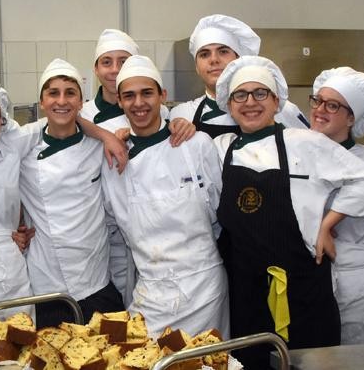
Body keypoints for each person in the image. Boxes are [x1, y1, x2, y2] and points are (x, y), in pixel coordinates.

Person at [211, 56, 364, 368]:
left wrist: (327, 225)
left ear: (277, 102)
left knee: (311, 362)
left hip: (303, 288)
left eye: (260, 93)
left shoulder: (304, 142)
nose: (250, 102)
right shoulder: (220, 148)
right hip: (246, 291)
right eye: (240, 95)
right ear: (229, 104)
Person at [99, 55, 227, 336]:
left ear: (162, 96)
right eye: (129, 96)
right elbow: (113, 229)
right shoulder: (113, 160)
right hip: (151, 293)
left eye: (147, 93)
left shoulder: (196, 144)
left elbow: (222, 215)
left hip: (205, 288)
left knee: (206, 365)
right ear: (119, 102)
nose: (139, 103)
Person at [19, 59, 125, 328]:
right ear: (41, 102)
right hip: (47, 286)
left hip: (97, 281)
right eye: (53, 93)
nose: (61, 101)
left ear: (81, 102)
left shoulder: (98, 146)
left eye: (70, 93)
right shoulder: (24, 144)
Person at [308, 67, 364, 344]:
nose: (320, 110)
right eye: (317, 101)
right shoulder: (298, 156)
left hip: (360, 279)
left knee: (361, 358)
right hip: (312, 276)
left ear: (351, 117)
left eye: (332, 105)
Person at [171, 14, 309, 137]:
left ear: (239, 60)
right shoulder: (182, 115)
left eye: (223, 51)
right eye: (204, 54)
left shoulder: (278, 109)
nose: (214, 60)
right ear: (196, 67)